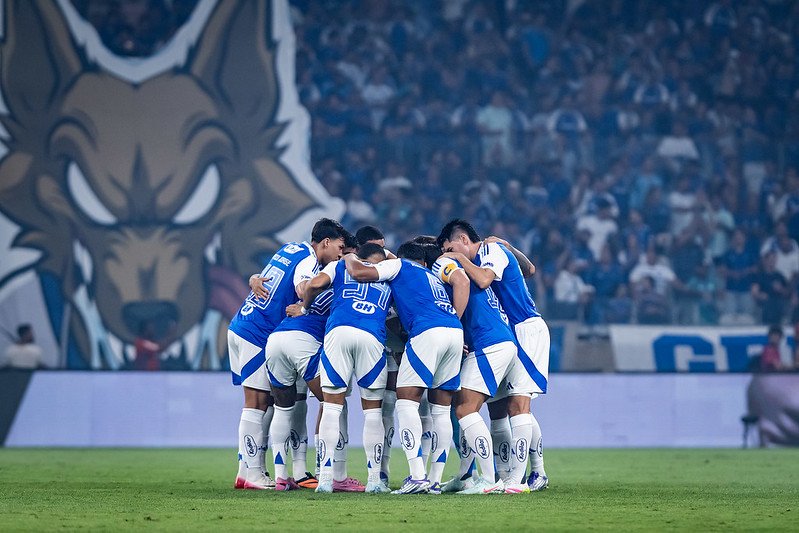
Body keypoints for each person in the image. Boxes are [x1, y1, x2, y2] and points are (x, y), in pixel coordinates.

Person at [227, 218, 345, 490]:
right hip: (257, 332)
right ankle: (250, 473)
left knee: (265, 403)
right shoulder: (308, 260)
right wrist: (307, 300)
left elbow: (262, 278)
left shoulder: (290, 248)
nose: (340, 254)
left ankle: (249, 471)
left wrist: (252, 279)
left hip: (243, 324)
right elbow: (303, 286)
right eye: (339, 247)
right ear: (326, 242)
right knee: (256, 404)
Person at [344, 241, 466, 495]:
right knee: (441, 411)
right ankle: (434, 480)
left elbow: (360, 273)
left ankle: (417, 477)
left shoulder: (399, 266)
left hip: (427, 332)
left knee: (406, 403)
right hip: (455, 331)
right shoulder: (430, 275)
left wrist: (350, 258)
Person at [437, 220, 550, 492]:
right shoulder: (490, 253)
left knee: (519, 405)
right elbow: (529, 269)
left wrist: (459, 259)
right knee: (501, 408)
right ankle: (509, 475)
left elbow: (485, 279)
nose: (449, 255)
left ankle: (528, 476)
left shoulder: (489, 251)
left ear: (463, 239)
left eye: (450, 248)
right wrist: (511, 247)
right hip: (508, 332)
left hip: (525, 328)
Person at [299, 243, 393, 494]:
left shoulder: (340, 265)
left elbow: (313, 284)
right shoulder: (389, 272)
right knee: (373, 412)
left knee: (331, 408)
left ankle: (325, 479)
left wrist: (305, 308)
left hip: (338, 332)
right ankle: (374, 480)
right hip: (371, 335)